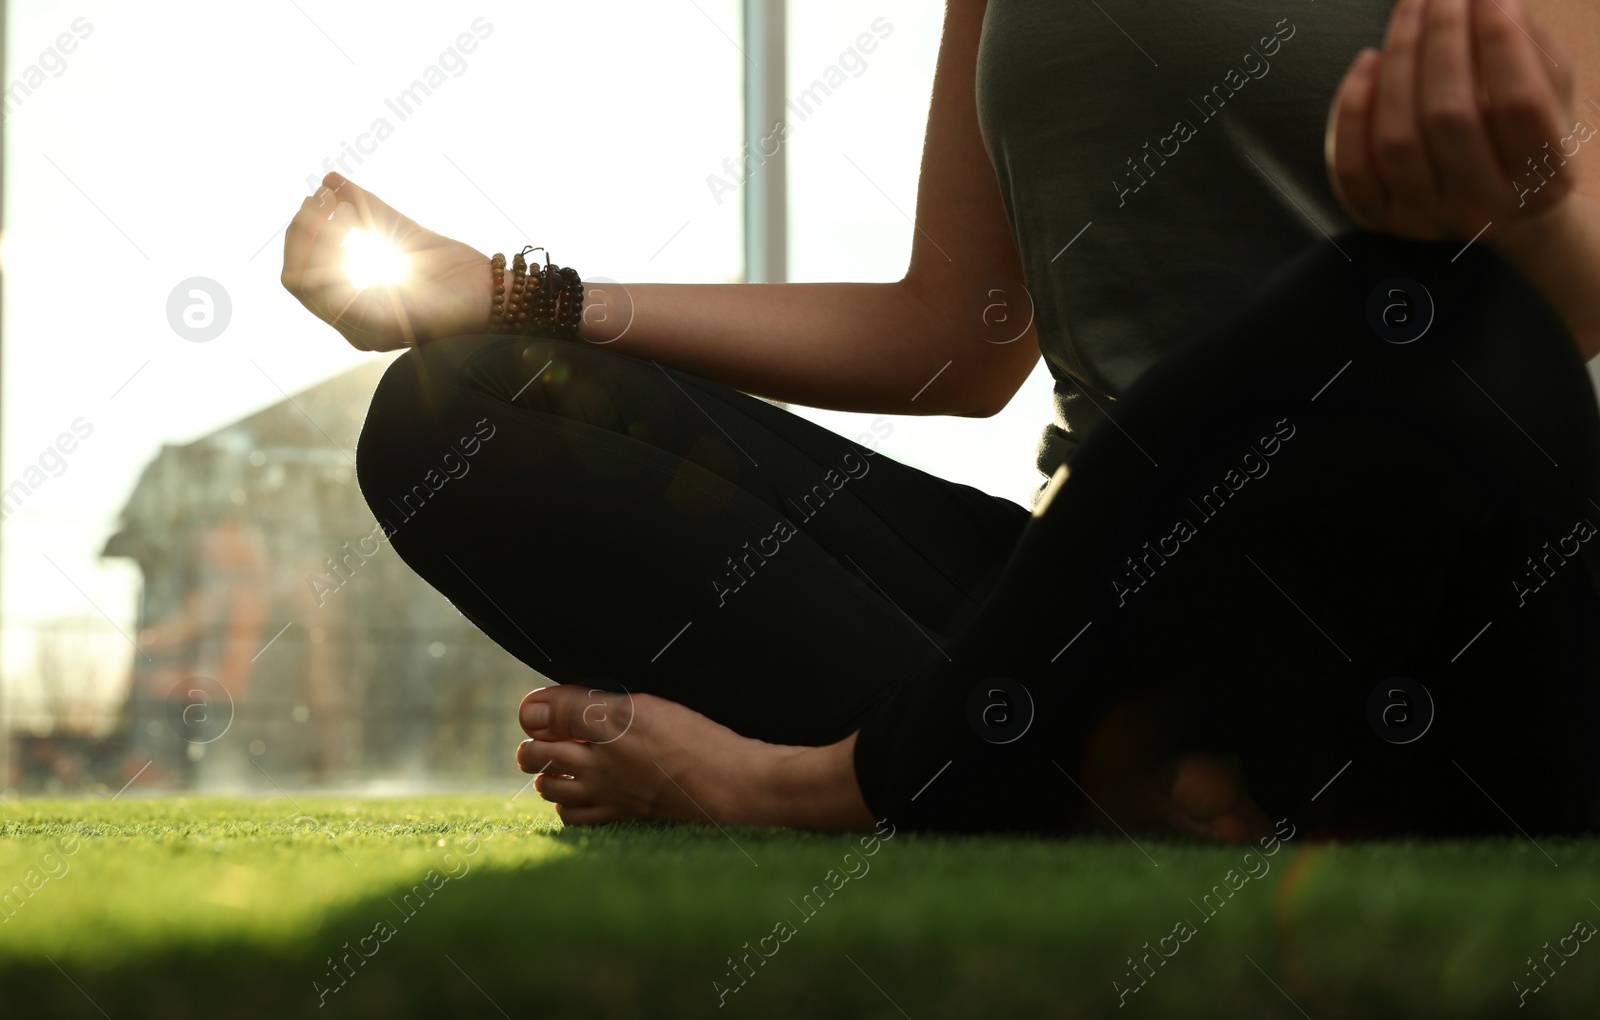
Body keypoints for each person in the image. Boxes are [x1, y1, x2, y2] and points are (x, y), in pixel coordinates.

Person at [281, 0, 1600, 839]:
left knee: (1395, 300)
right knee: (460, 413)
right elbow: (952, 341)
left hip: (1402, 621)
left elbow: (1559, 317)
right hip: (1075, 620)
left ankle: (803, 790)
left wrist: (1517, 213)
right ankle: (1105, 795)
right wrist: (517, 297)